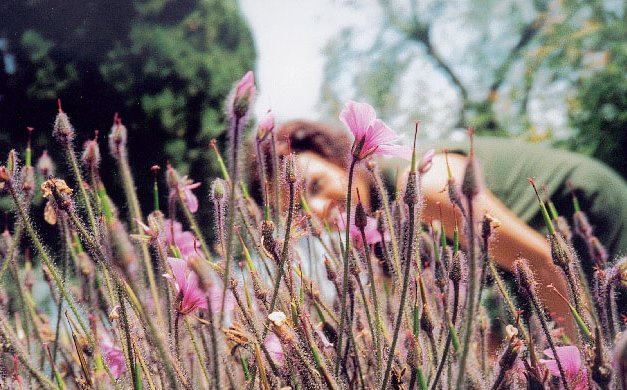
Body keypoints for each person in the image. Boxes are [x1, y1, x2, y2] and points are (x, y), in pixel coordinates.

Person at [251, 119, 627, 323]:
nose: (317, 210)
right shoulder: (379, 239)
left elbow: (543, 263)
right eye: (297, 210)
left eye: (315, 185)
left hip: (589, 217)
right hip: (555, 272)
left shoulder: (424, 187)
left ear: (336, 158)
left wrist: (593, 382)